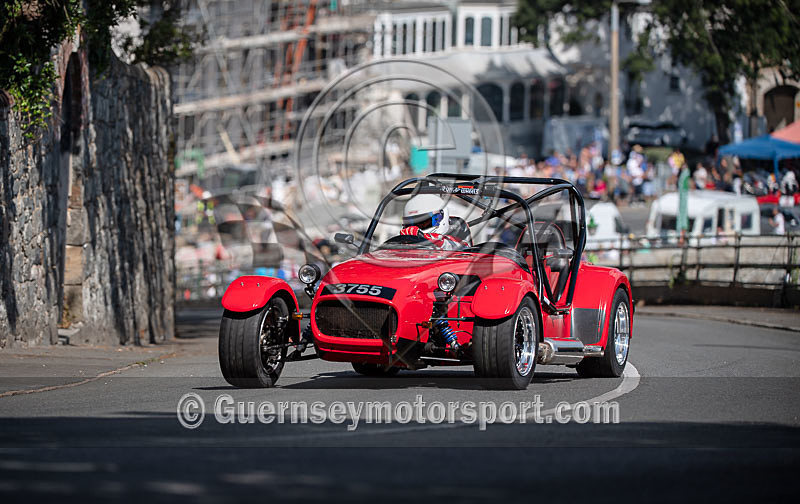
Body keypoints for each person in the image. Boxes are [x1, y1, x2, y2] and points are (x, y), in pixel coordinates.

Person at [400, 194, 467, 250]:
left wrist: (426, 238)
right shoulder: (403, 242)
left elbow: (464, 248)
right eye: (411, 224)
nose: (416, 229)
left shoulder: (452, 243)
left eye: (424, 222)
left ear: (441, 217)